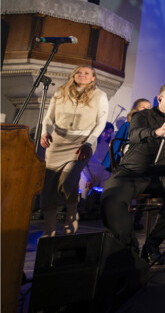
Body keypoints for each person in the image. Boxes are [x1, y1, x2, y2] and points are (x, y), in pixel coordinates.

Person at [101, 83, 165, 262]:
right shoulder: (142, 115)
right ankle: (129, 249)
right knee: (111, 198)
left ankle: (151, 246)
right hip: (132, 171)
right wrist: (157, 131)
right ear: (159, 98)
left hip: (163, 175)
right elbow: (134, 135)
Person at [40, 65, 109, 237]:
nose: (82, 75)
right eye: (79, 72)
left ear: (93, 78)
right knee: (49, 185)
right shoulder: (60, 92)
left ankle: (72, 212)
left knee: (67, 181)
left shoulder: (100, 95)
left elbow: (101, 122)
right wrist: (45, 132)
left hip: (82, 142)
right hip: (58, 141)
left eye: (87, 73)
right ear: (73, 75)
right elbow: (49, 117)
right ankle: (49, 228)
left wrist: (89, 143)